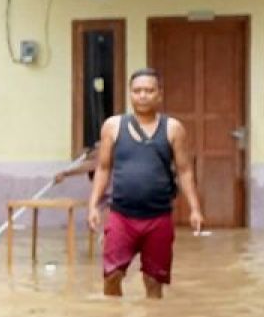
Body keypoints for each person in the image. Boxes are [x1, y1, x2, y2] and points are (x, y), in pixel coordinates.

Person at [87, 68, 204, 299]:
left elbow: (184, 170)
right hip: (121, 216)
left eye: (149, 91)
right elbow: (103, 168)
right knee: (111, 276)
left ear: (159, 94)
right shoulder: (113, 126)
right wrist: (93, 205)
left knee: (154, 281)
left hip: (158, 218)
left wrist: (195, 209)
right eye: (137, 91)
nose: (143, 96)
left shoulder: (173, 129)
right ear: (130, 94)